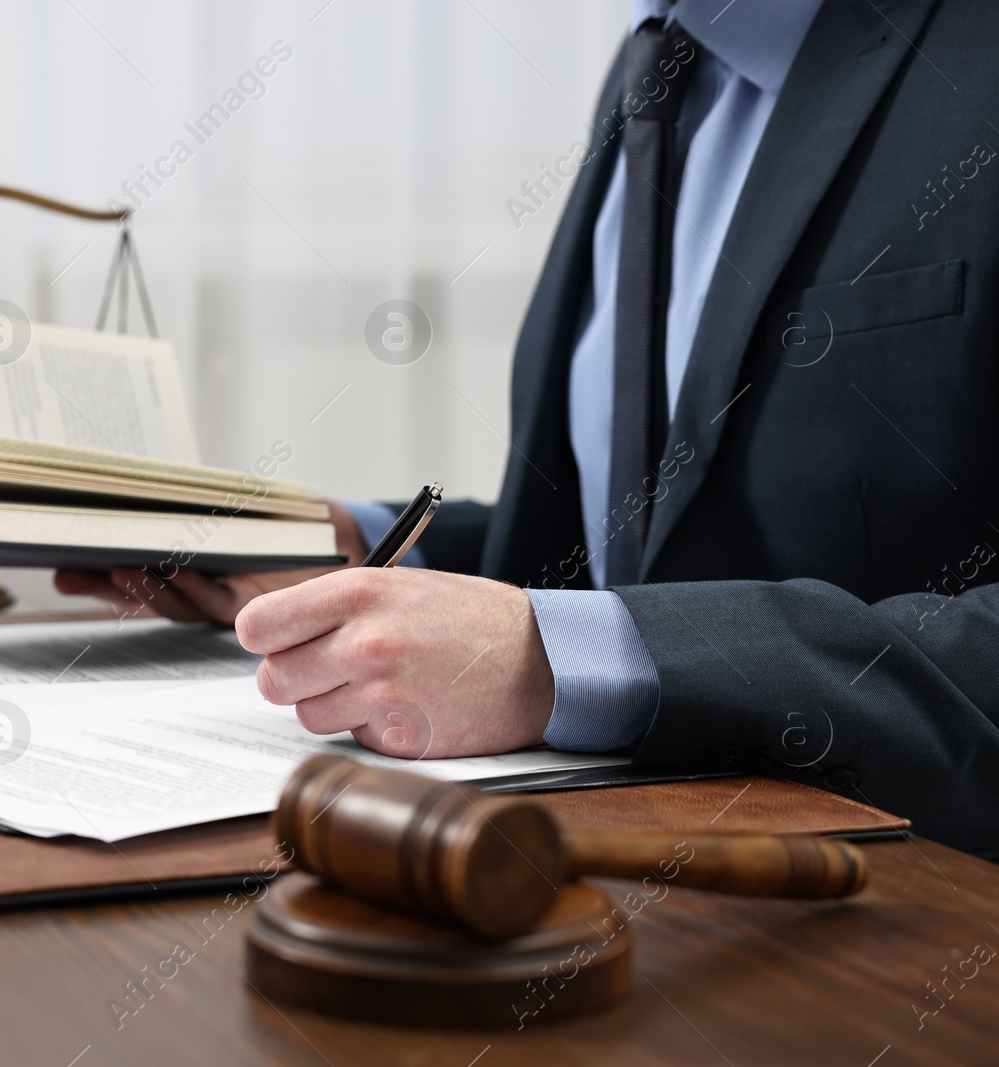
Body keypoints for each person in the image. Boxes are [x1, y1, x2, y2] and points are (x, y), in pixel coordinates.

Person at [59, 0, 999, 855]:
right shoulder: (663, 65)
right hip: (628, 867)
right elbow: (636, 543)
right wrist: (365, 552)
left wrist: (563, 660)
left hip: (907, 906)